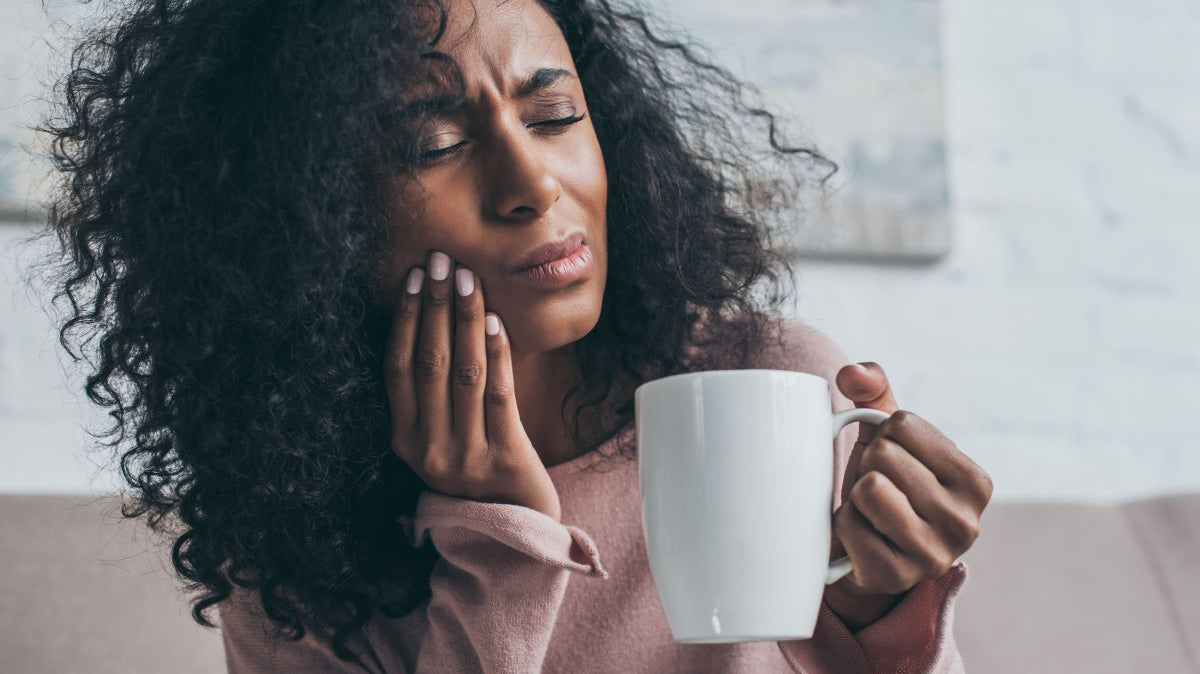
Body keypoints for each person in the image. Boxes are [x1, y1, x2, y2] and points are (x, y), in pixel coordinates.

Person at [38, 0, 993, 671]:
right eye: (434, 146)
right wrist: (499, 545)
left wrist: (877, 616)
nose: (532, 185)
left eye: (554, 116)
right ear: (306, 222)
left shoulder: (781, 385)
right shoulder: (289, 542)